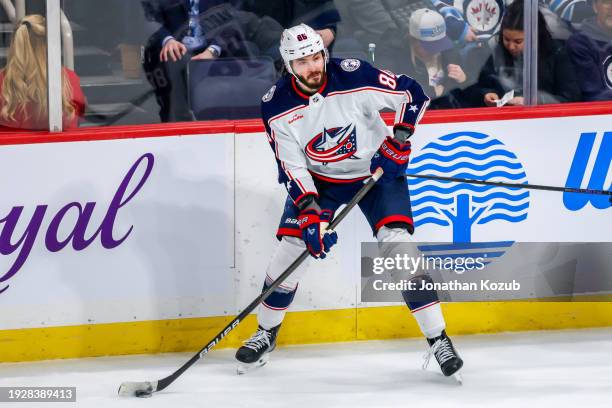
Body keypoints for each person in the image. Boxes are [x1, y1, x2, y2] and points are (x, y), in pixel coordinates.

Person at [234, 23, 464, 381]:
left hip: (376, 172)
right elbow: (291, 166)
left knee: (399, 248)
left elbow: (412, 93)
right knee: (293, 249)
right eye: (302, 62)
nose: (312, 67)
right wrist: (310, 213)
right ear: (287, 65)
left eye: (316, 57)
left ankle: (438, 339)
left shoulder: (354, 74)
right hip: (321, 182)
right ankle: (267, 332)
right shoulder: (275, 106)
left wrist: (399, 141)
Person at [142, 0, 283, 122]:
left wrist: (214, 50)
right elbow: (150, 18)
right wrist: (168, 40)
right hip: (178, 50)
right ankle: (178, 125)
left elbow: (235, 19)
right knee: (171, 63)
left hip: (218, 50)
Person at [475, 1, 581, 106]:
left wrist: (536, 100)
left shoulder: (557, 54)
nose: (511, 46)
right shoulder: (496, 50)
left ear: (534, 36)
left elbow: (571, 97)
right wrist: (488, 93)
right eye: (506, 39)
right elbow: (483, 83)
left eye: (518, 41)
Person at [0, 15, 86, 130]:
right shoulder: (69, 80)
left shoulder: (2, 82)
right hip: (62, 147)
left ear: (15, 44)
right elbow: (78, 117)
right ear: (50, 44)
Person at [567, 0, 612, 101]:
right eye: (607, 2)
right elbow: (595, 94)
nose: (611, 8)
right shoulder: (580, 43)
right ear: (595, 7)